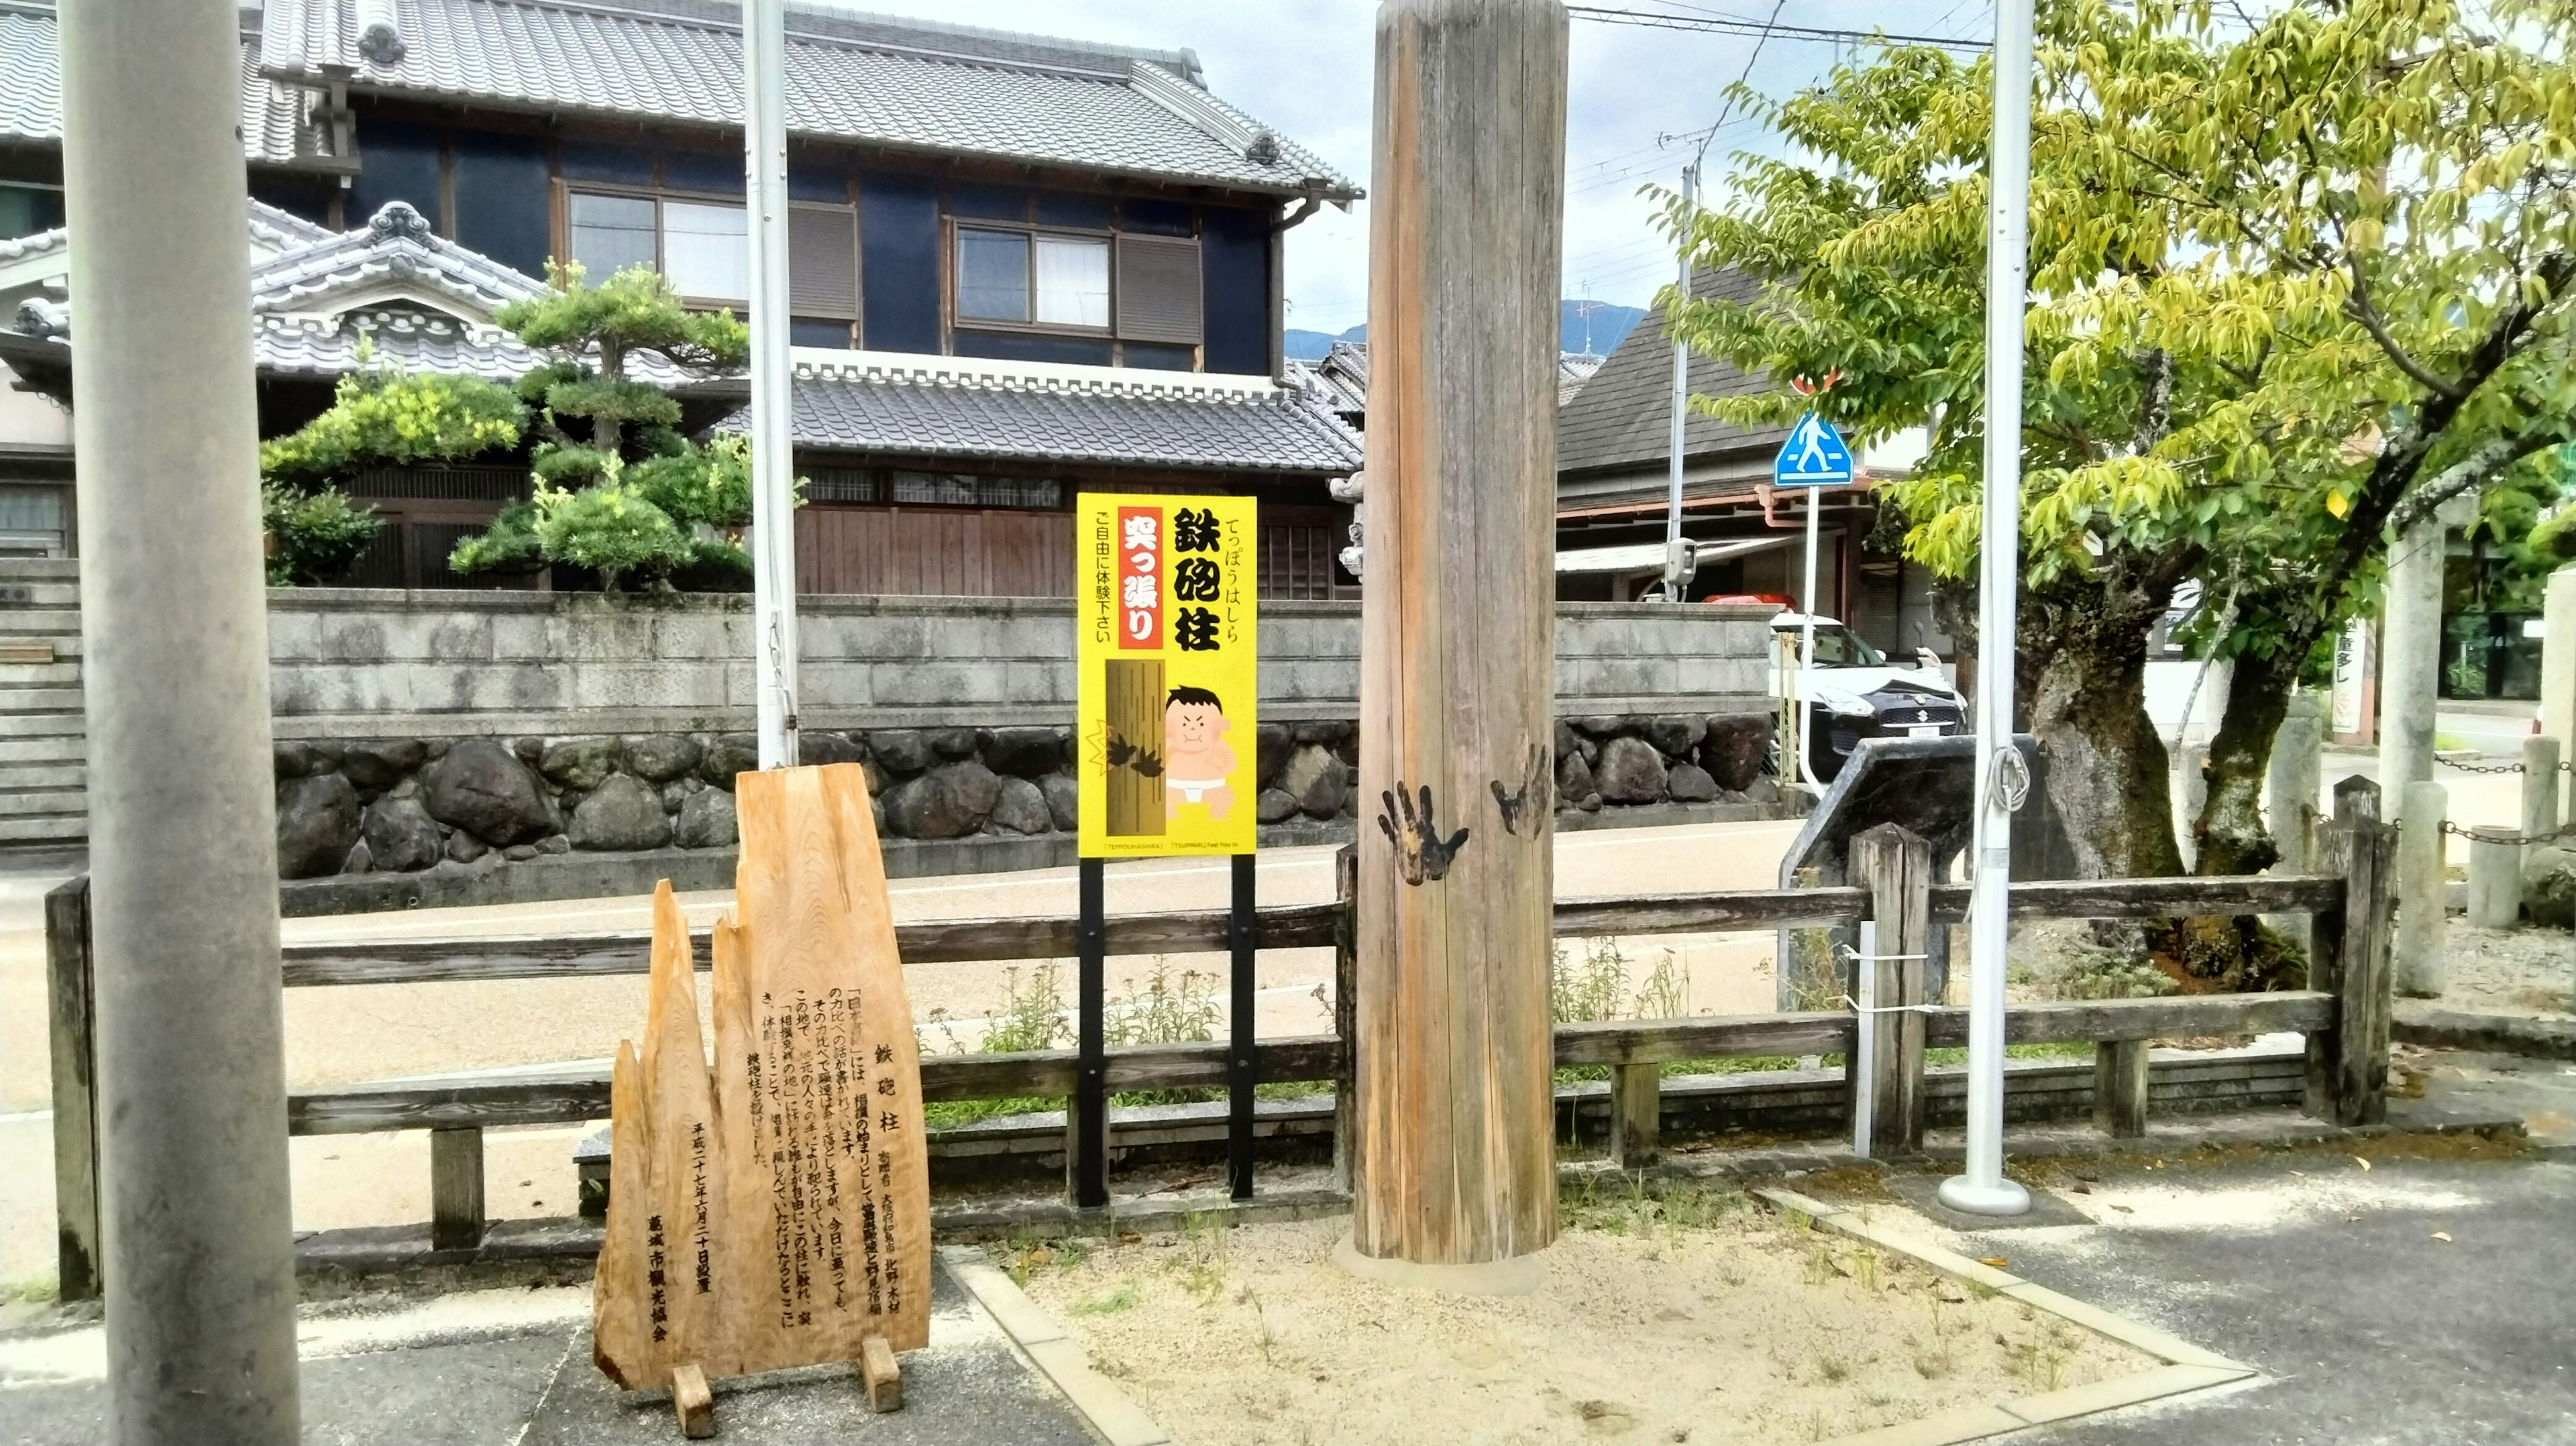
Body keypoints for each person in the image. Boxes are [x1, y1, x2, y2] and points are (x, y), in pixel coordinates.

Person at [1162, 685, 1236, 821]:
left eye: (1201, 724)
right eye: (1185, 724)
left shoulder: (1218, 746)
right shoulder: (1168, 745)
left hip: (1212, 786)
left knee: (1226, 795)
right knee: (1164, 797)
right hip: (1175, 787)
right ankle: (1169, 813)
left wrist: (1222, 764)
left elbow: (1232, 766)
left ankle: (1219, 813)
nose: (1193, 730)